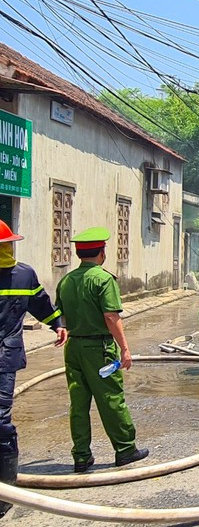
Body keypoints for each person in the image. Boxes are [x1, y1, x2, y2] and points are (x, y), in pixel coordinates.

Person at [55, 227, 148, 473]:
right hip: (100, 349)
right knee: (111, 398)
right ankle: (126, 449)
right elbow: (110, 316)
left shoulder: (66, 281)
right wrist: (125, 349)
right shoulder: (104, 279)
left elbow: (61, 316)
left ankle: (82, 456)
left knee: (78, 403)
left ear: (78, 253)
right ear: (102, 252)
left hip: (74, 347)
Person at [0, 220, 66, 517]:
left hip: (4, 357)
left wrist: (57, 323)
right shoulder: (22, 273)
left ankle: (4, 489)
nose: (8, 250)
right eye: (5, 246)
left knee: (0, 421)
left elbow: (40, 302)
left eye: (8, 245)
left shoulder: (23, 274)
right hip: (6, 356)